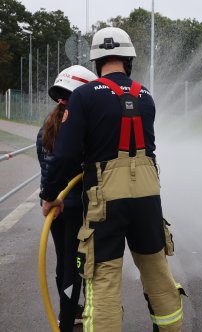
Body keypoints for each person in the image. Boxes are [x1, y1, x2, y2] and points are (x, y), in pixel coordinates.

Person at [39, 27, 184, 331]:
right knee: (158, 273)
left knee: (103, 280)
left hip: (105, 199)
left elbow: (65, 156)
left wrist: (50, 194)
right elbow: (150, 149)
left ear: (97, 62)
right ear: (128, 59)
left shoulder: (83, 96)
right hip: (148, 197)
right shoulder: (145, 95)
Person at [37, 65, 98, 331]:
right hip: (78, 208)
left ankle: (67, 313)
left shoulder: (47, 127)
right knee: (78, 264)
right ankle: (67, 316)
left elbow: (47, 169)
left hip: (56, 209)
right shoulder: (81, 128)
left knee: (65, 262)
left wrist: (47, 199)